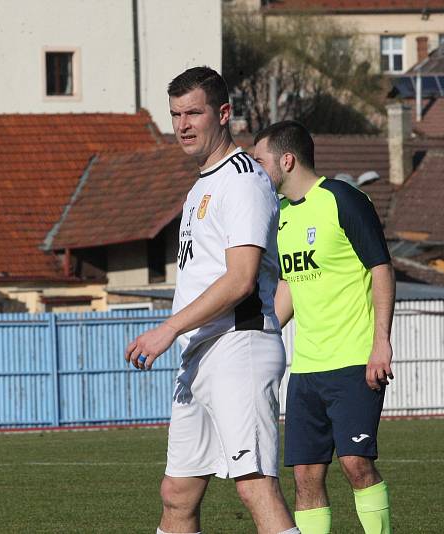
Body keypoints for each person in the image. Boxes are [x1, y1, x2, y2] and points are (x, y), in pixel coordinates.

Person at [124, 67, 300, 534]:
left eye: (194, 112)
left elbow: (241, 279)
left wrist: (169, 327)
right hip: (201, 354)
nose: (183, 124)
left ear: (223, 114)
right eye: (176, 114)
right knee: (177, 494)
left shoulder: (241, 179)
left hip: (238, 347)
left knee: (254, 485)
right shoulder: (201, 185)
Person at [251, 120, 395, 534]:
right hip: (307, 370)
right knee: (305, 477)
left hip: (354, 361)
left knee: (355, 465)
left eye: (261, 161)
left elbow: (381, 269)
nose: (257, 170)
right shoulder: (282, 217)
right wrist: (259, 336)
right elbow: (289, 287)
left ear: (287, 159)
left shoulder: (344, 199)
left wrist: (380, 343)